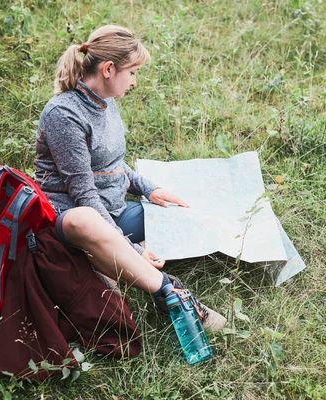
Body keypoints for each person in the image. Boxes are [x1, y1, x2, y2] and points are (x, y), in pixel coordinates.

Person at [34, 25, 226, 330]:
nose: (135, 81)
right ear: (109, 69)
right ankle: (171, 292)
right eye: (133, 72)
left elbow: (112, 165)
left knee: (185, 214)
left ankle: (110, 266)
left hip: (116, 212)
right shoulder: (64, 115)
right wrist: (131, 248)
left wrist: (149, 190)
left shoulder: (106, 102)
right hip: (74, 221)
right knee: (94, 225)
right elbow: (83, 193)